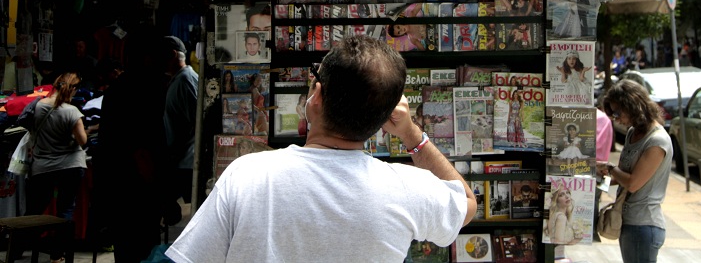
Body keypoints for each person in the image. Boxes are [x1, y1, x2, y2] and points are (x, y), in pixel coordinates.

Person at [165, 36, 477, 262]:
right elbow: (466, 203)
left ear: (316, 98)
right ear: (386, 118)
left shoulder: (248, 175)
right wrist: (412, 133)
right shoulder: (406, 189)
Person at [98, 35, 169, 263]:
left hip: (120, 185)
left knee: (128, 247)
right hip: (136, 187)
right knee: (140, 246)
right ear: (147, 58)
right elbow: (141, 150)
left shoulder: (119, 89)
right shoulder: (144, 89)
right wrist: (160, 193)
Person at [598, 79, 672, 263]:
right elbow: (623, 175)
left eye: (617, 113)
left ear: (633, 106)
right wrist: (598, 178)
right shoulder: (633, 132)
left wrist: (609, 168)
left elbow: (633, 183)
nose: (616, 119)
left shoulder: (657, 140)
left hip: (644, 224)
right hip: (629, 220)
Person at [26, 72, 88, 263]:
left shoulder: (36, 107)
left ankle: (22, 246)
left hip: (42, 167)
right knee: (65, 210)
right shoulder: (71, 112)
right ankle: (58, 255)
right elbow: (82, 141)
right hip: (70, 166)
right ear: (73, 89)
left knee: (36, 210)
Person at [161, 36, 198, 211]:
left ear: (172, 54)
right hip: (181, 159)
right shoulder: (179, 79)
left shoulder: (185, 80)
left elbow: (196, 121)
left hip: (186, 161)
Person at [593, 106, 615, 241]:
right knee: (594, 201)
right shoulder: (604, 119)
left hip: (577, 168)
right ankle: (593, 233)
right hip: (601, 172)